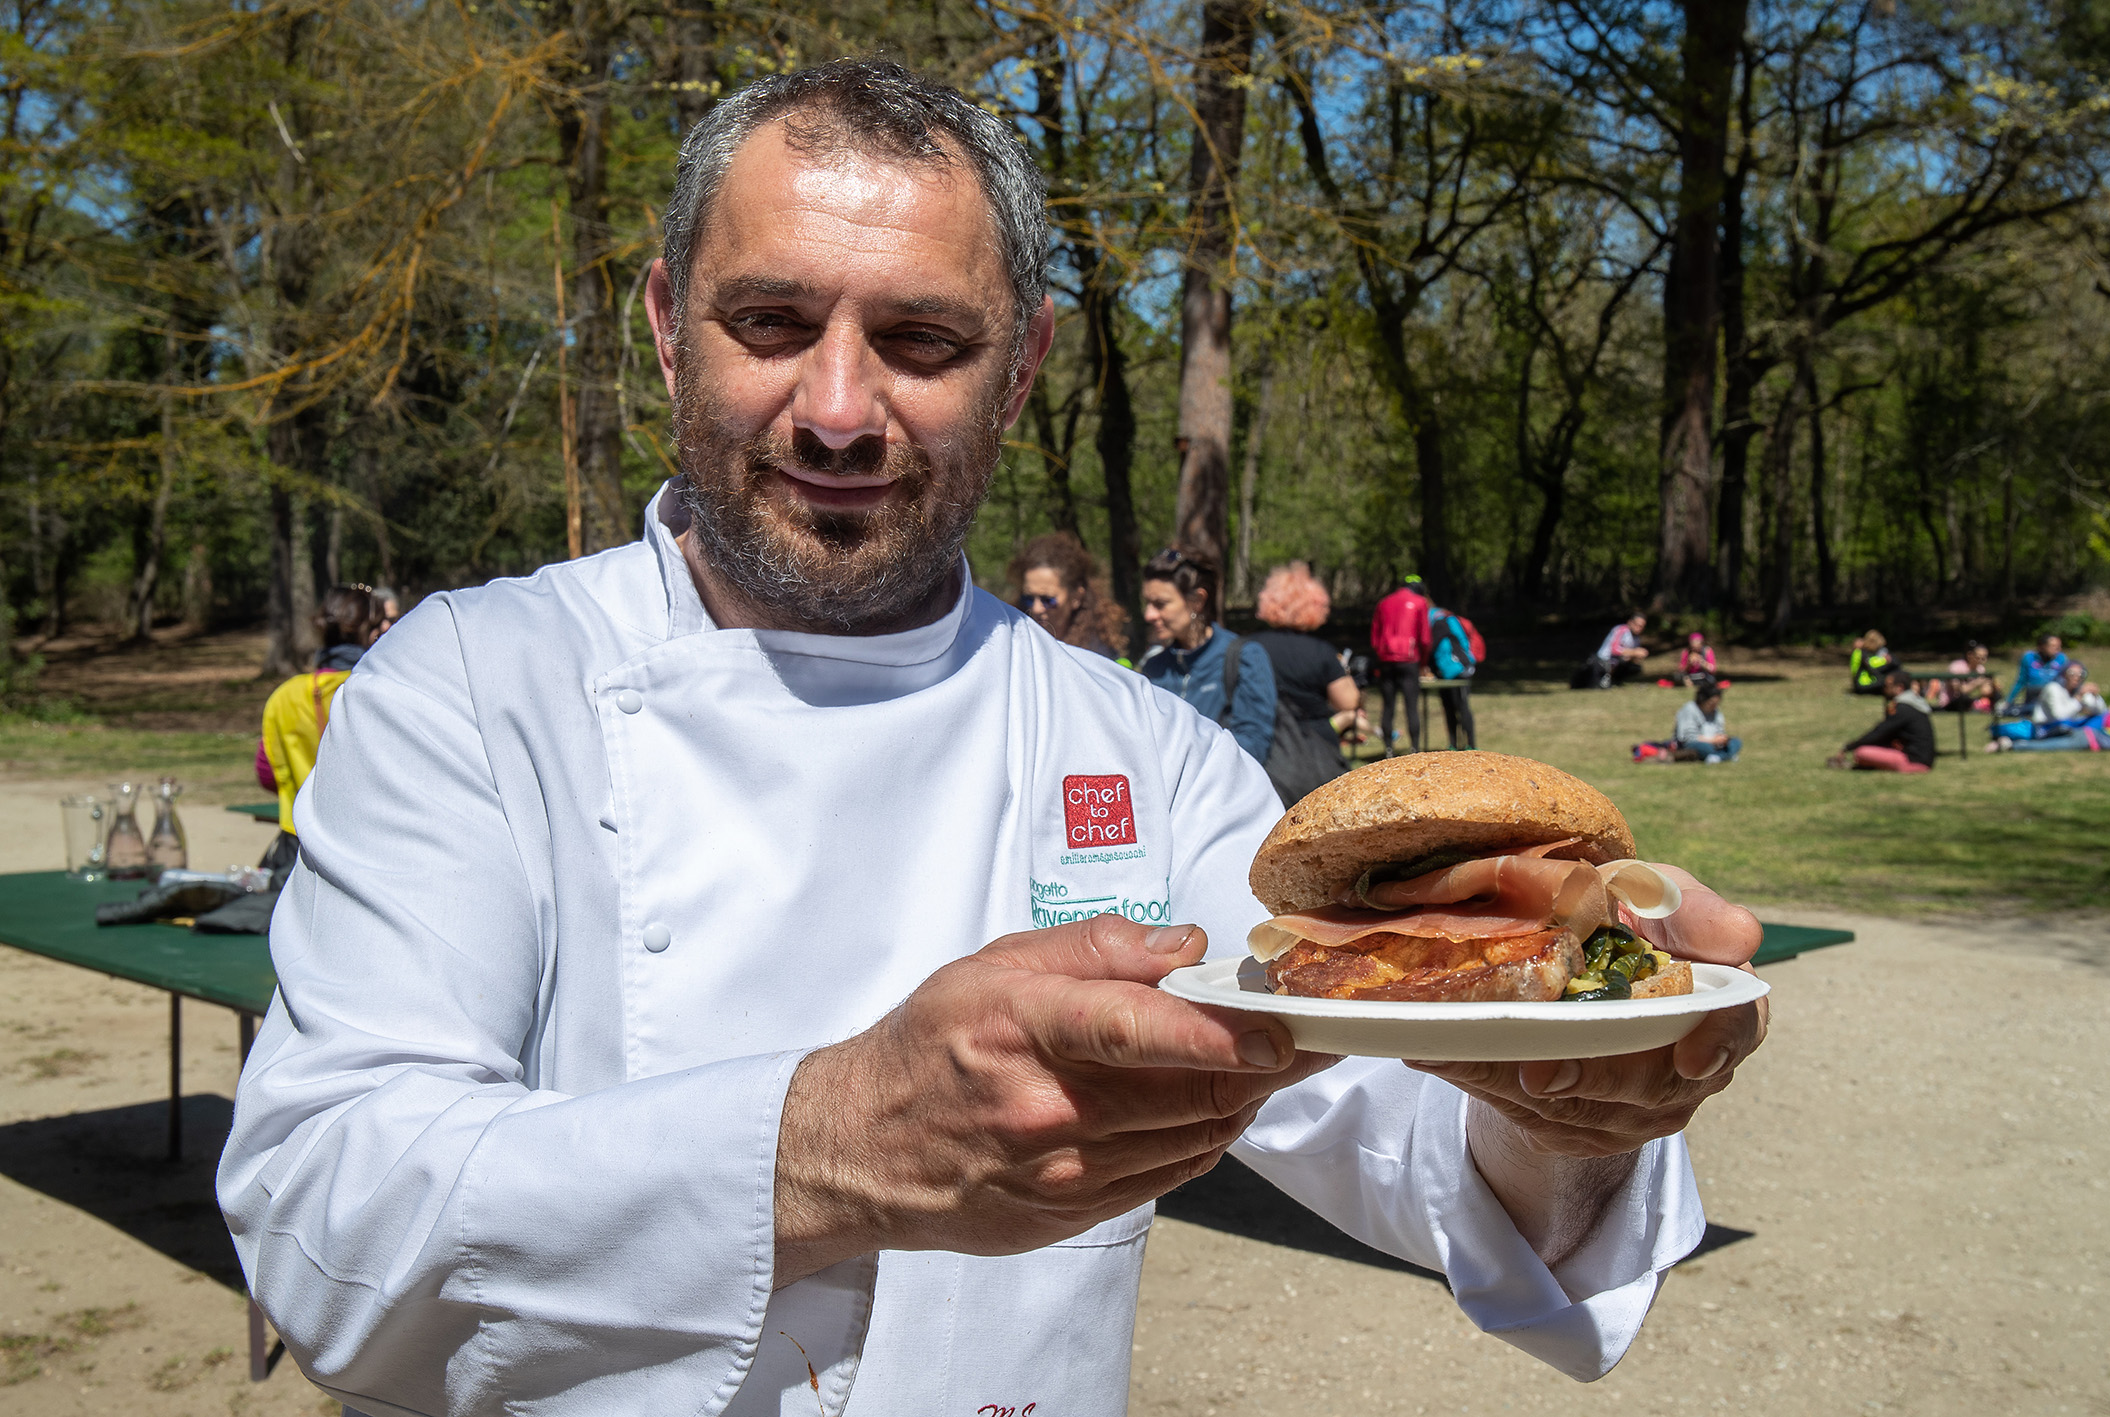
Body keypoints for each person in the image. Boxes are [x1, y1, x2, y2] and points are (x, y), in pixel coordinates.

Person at [218, 62, 1767, 1417]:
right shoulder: (474, 687)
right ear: (662, 325)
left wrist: (1575, 1108)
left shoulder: (1131, 747)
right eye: (768, 320)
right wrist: (823, 1141)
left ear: (1019, 366)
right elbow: (323, 1218)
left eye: (919, 339)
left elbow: (1424, 1141)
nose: (835, 406)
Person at [257, 584, 387, 840]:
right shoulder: (383, 690)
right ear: (373, 631)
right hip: (369, 841)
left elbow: (267, 772)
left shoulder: (285, 695)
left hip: (299, 841)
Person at [1138, 547, 1276, 763]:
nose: (1149, 615)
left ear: (1197, 601)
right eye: (1147, 603)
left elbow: (1254, 746)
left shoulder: (1244, 657)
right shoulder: (1154, 667)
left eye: (1160, 604)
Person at [1249, 562, 1367, 805]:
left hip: (1260, 750)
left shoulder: (1247, 647)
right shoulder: (1321, 652)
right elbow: (1349, 701)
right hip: (1314, 752)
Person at [1006, 531, 1127, 660]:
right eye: (1028, 598)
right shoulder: (1011, 644)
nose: (1036, 608)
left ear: (1076, 597)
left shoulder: (1097, 656)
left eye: (1048, 600)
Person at [1370, 572, 1431, 752]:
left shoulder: (1383, 602)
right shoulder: (1420, 603)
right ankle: (1415, 748)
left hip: (1386, 659)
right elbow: (1425, 639)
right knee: (1411, 706)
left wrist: (1380, 655)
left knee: (1387, 706)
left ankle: (1388, 748)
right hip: (1409, 660)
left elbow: (1375, 638)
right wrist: (1423, 664)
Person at [1828, 670, 1936, 772]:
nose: (1884, 689)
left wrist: (1849, 747)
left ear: (1899, 688)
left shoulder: (1903, 708)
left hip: (1914, 761)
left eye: (1887, 686)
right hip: (1921, 758)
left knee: (1861, 753)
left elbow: (1879, 733)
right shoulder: (1914, 704)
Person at [1986, 660, 2107, 751]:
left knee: (2101, 719)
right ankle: (2012, 743)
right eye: (2072, 673)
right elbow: (2059, 716)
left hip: (2066, 726)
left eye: (2081, 674)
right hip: (2045, 728)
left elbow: (2101, 711)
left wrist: (2095, 696)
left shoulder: (2079, 691)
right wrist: (2078, 698)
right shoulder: (2053, 688)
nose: (2077, 677)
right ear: (2064, 674)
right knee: (2066, 726)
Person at [1427, 602, 1480, 749]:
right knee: (1450, 708)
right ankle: (1454, 744)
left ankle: (1470, 745)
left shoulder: (1439, 623)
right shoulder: (1441, 620)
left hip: (1459, 670)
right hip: (1444, 673)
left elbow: (1430, 647)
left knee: (1461, 707)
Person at [1674, 684, 1740, 763]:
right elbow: (1687, 737)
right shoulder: (1689, 709)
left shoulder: (1716, 712)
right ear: (1703, 700)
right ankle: (1726, 755)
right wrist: (1712, 740)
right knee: (1706, 748)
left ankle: (1718, 756)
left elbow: (1719, 730)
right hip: (1695, 744)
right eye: (1711, 703)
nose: (1714, 706)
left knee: (1736, 742)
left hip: (1715, 744)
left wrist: (1722, 738)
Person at [2005, 633, 2070, 709]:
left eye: (2059, 646)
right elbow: (2021, 681)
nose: (2058, 649)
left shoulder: (2061, 659)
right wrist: (2008, 701)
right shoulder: (2029, 658)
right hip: (2034, 695)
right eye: (2053, 646)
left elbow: (2068, 681)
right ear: (2042, 647)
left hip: (2055, 697)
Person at [1929, 640, 1998, 711]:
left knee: (1996, 695)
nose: (1981, 661)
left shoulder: (1980, 669)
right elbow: (1960, 691)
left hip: (1966, 700)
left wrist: (1992, 686)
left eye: (1984, 658)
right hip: (1950, 702)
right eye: (1978, 657)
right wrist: (1977, 683)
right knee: (1964, 699)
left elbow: (1985, 691)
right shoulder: (1956, 666)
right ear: (1969, 655)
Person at [1589, 613, 1649, 689]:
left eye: (1641, 626)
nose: (1638, 628)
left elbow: (1629, 655)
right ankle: (1605, 680)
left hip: (1617, 662)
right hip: (1603, 661)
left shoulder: (1636, 638)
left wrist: (1636, 656)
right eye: (1636, 625)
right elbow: (1614, 649)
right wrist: (1634, 652)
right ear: (1630, 622)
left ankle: (1614, 681)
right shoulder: (1621, 630)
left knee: (1635, 667)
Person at [1848, 630, 1896, 695]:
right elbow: (1871, 664)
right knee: (1887, 682)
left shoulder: (1864, 653)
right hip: (1862, 684)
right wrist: (1884, 660)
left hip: (1866, 682)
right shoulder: (1860, 653)